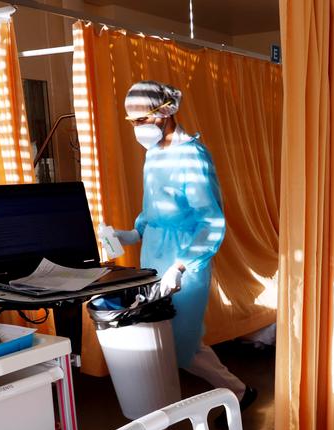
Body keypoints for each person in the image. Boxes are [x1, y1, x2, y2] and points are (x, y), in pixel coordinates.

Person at [100, 81, 256, 411]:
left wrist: (182, 265)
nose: (137, 127)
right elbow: (155, 208)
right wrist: (133, 233)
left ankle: (236, 394)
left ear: (166, 112)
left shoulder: (192, 156)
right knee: (163, 340)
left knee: (181, 345)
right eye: (133, 121)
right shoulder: (154, 154)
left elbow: (210, 221)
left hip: (185, 262)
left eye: (142, 119)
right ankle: (234, 394)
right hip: (154, 255)